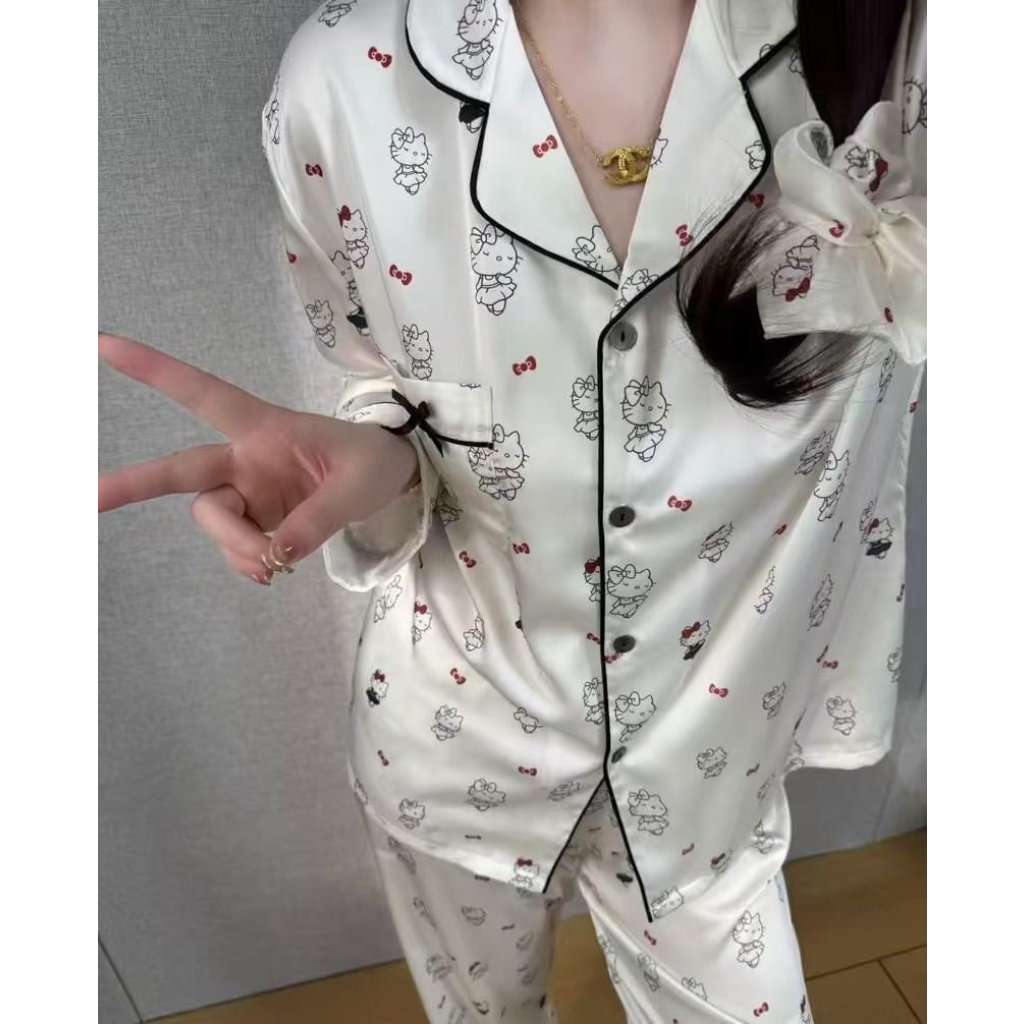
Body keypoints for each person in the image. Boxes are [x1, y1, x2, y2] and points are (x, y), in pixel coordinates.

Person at [98, 0, 926, 1020]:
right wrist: (379, 459)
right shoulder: (345, 77)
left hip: (714, 763)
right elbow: (393, 383)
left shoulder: (915, 62)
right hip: (456, 741)